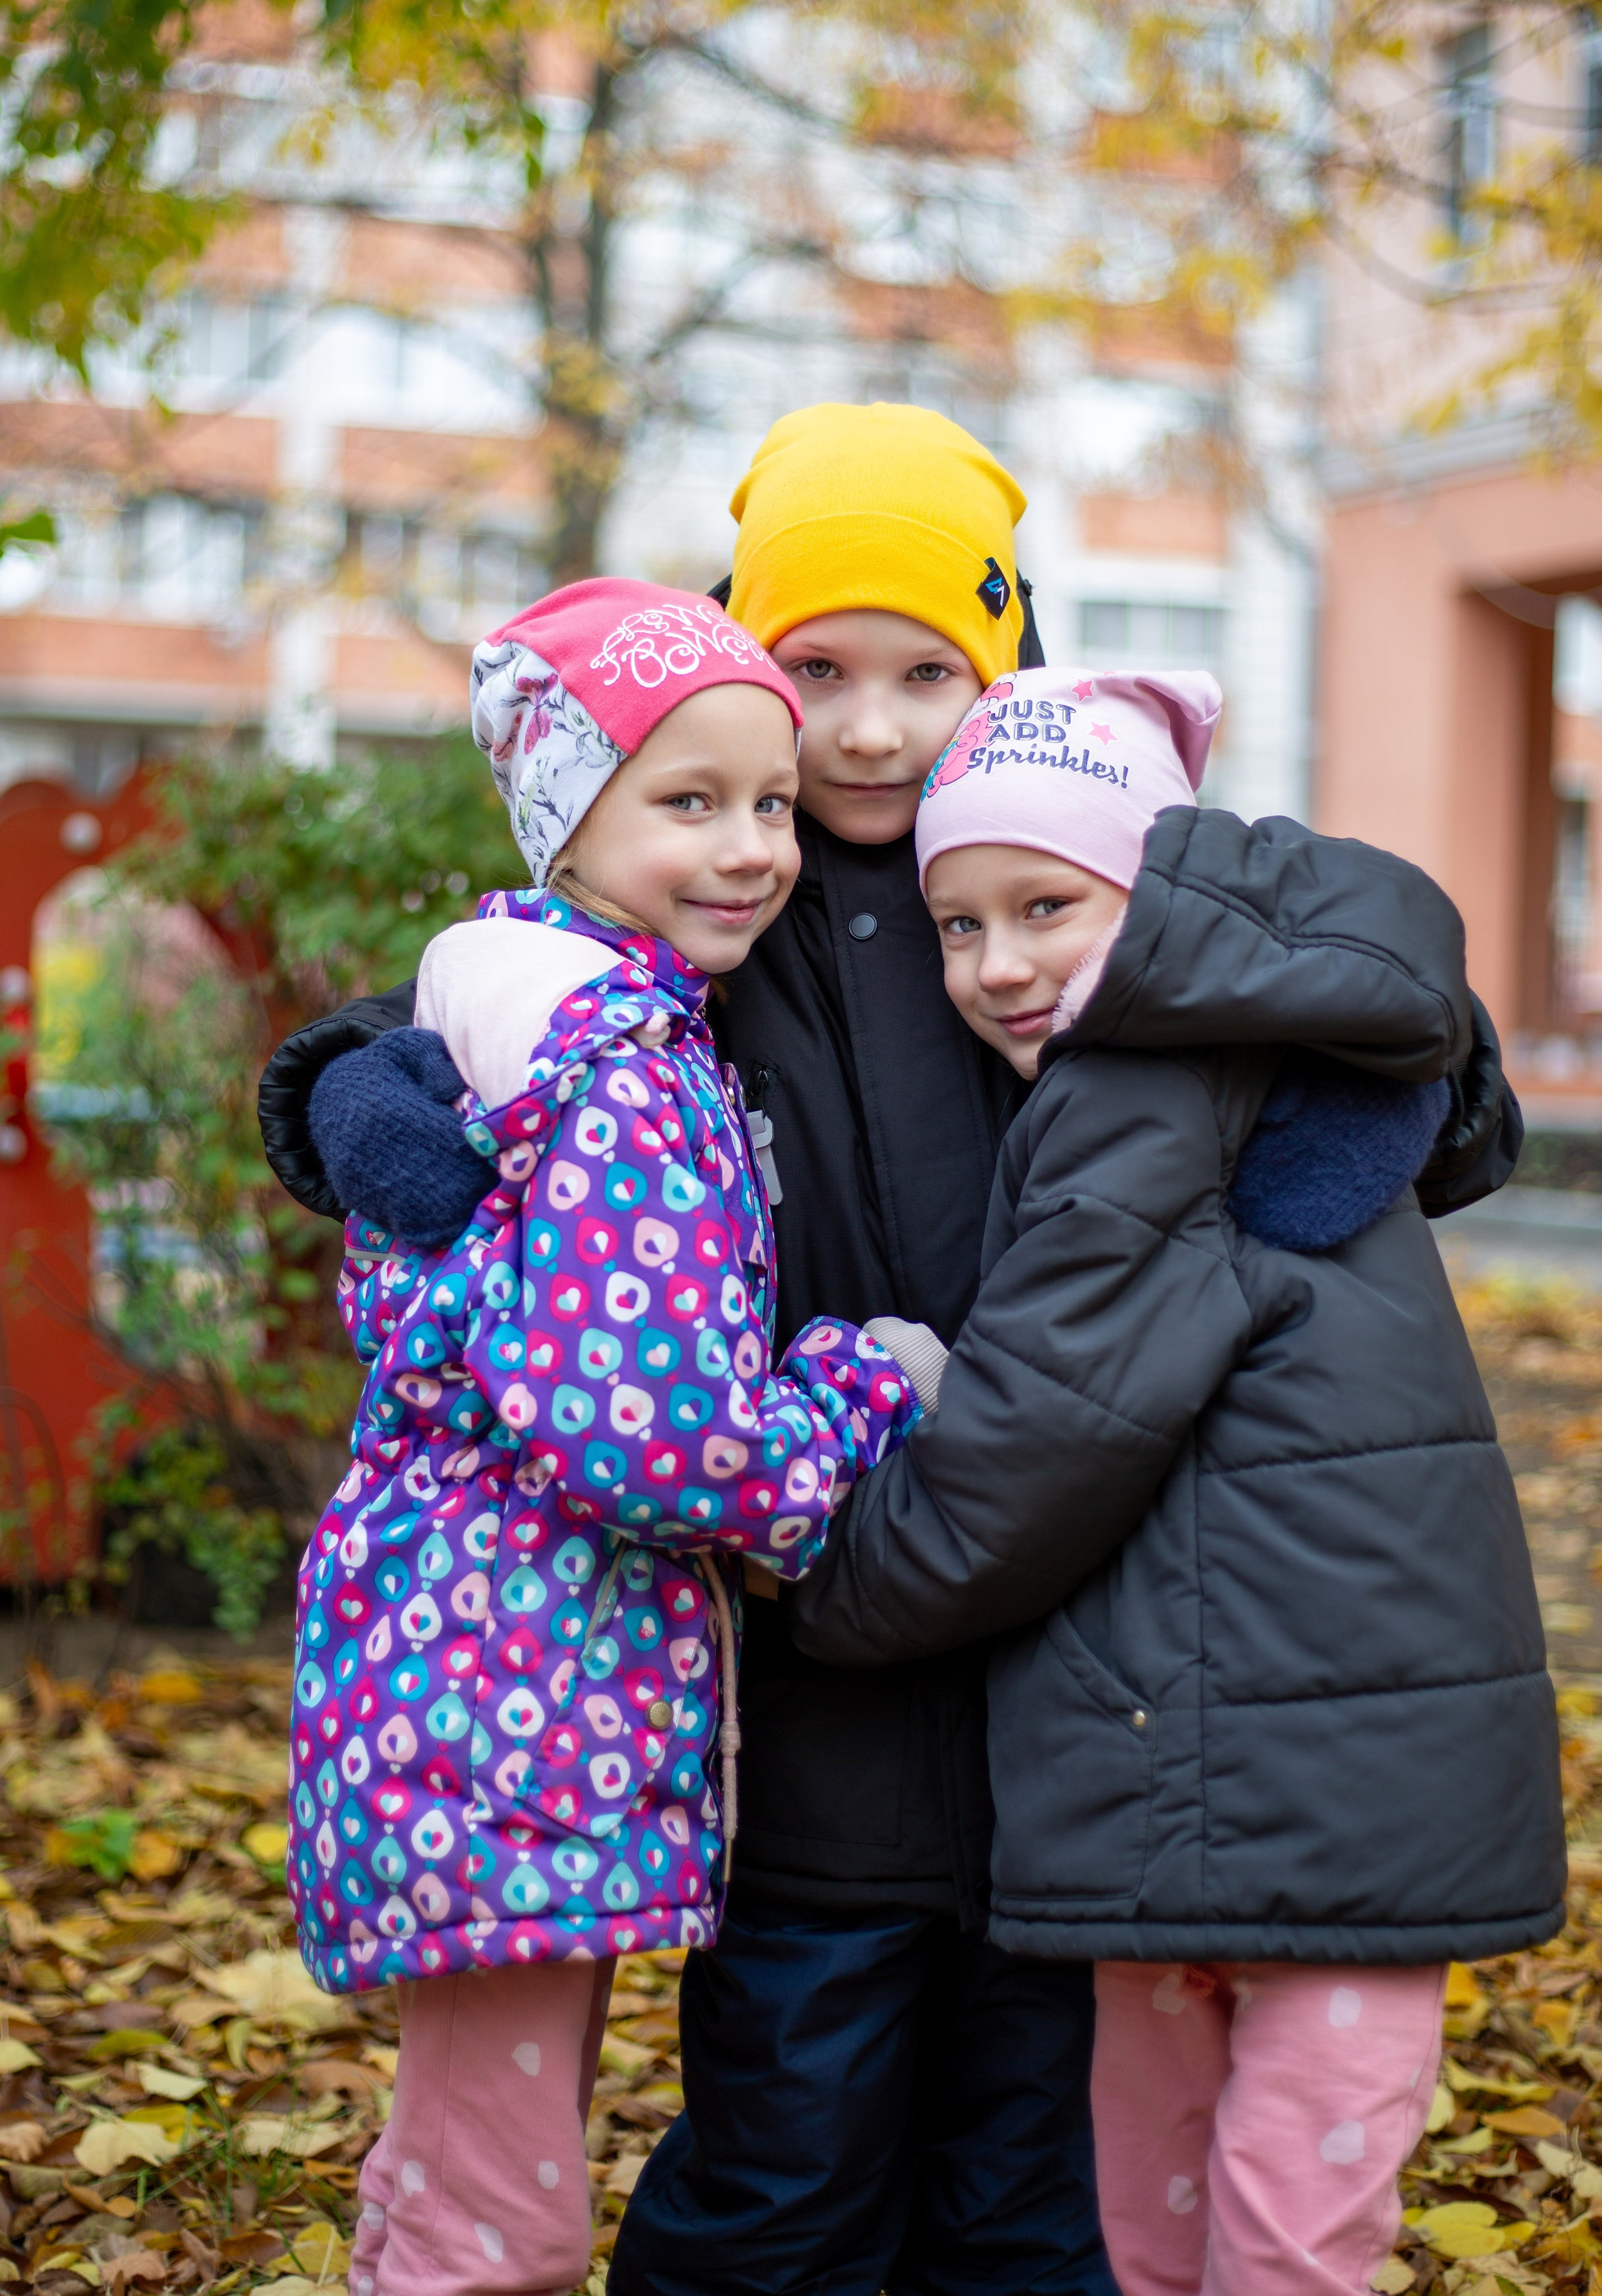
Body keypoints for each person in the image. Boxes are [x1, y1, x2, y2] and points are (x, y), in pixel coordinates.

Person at [259, 406, 1519, 2296]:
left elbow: (1353, 973)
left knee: (1040, 2189)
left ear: (1005, 666)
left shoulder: (1066, 874)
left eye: (928, 672)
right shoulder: (709, 896)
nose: (863, 733)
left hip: (1073, 1675)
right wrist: (349, 1080)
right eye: (816, 671)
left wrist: (1411, 1072)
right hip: (812, 1674)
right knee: (788, 2160)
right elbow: (500, 979)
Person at [790, 664, 1566, 2296]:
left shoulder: (1140, 1091)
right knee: (1229, 2226)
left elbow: (1032, 1449)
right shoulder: (1267, 1053)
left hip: (1262, 1797)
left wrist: (824, 1582)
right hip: (1269, 1781)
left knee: (1223, 2232)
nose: (996, 964)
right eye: (957, 922)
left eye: (1044, 904)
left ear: (1155, 893)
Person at [295, 577, 923, 2296]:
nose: (753, 850)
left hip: (484, 1671)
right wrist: (862, 1383)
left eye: (771, 804)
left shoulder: (528, 1016)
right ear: (568, 817)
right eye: (688, 802)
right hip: (515, 1682)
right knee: (499, 2210)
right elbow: (647, 1431)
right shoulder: (621, 1059)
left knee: (470, 2157)